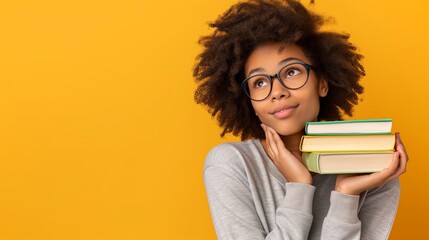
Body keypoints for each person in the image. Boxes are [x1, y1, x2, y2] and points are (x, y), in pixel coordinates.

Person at [193, 0, 409, 239]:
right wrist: (299, 188)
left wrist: (346, 195)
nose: (277, 91)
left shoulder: (373, 166)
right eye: (260, 82)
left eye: (292, 71)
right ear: (250, 102)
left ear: (323, 83)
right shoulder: (230, 165)